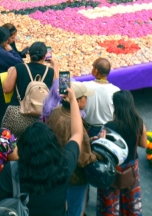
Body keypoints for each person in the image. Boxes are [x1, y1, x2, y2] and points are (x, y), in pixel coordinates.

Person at [0, 84, 83, 216]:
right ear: (53, 144)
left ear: (23, 147)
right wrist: (72, 101)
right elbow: (77, 134)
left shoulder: (13, 171)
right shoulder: (65, 164)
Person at [46, 82, 99, 216]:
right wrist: (98, 154)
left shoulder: (56, 112)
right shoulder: (76, 126)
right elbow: (83, 159)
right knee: (75, 210)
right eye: (85, 97)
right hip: (75, 177)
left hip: (55, 172)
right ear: (78, 100)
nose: (87, 99)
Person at [96, 90, 146, 215]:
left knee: (109, 204)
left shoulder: (109, 126)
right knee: (131, 202)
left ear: (115, 106)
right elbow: (143, 144)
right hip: (131, 166)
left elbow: (102, 150)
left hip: (113, 168)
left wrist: (101, 140)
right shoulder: (139, 122)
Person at [2, 42, 58, 135]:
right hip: (39, 119)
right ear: (44, 57)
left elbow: (6, 89)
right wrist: (54, 65)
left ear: (29, 54)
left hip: (17, 114)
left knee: (12, 143)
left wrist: (10, 73)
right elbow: (58, 89)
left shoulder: (19, 67)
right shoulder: (50, 72)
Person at [82, 58, 120, 137]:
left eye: (93, 67)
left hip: (87, 129)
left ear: (96, 71)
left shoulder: (84, 86)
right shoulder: (116, 90)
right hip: (107, 130)